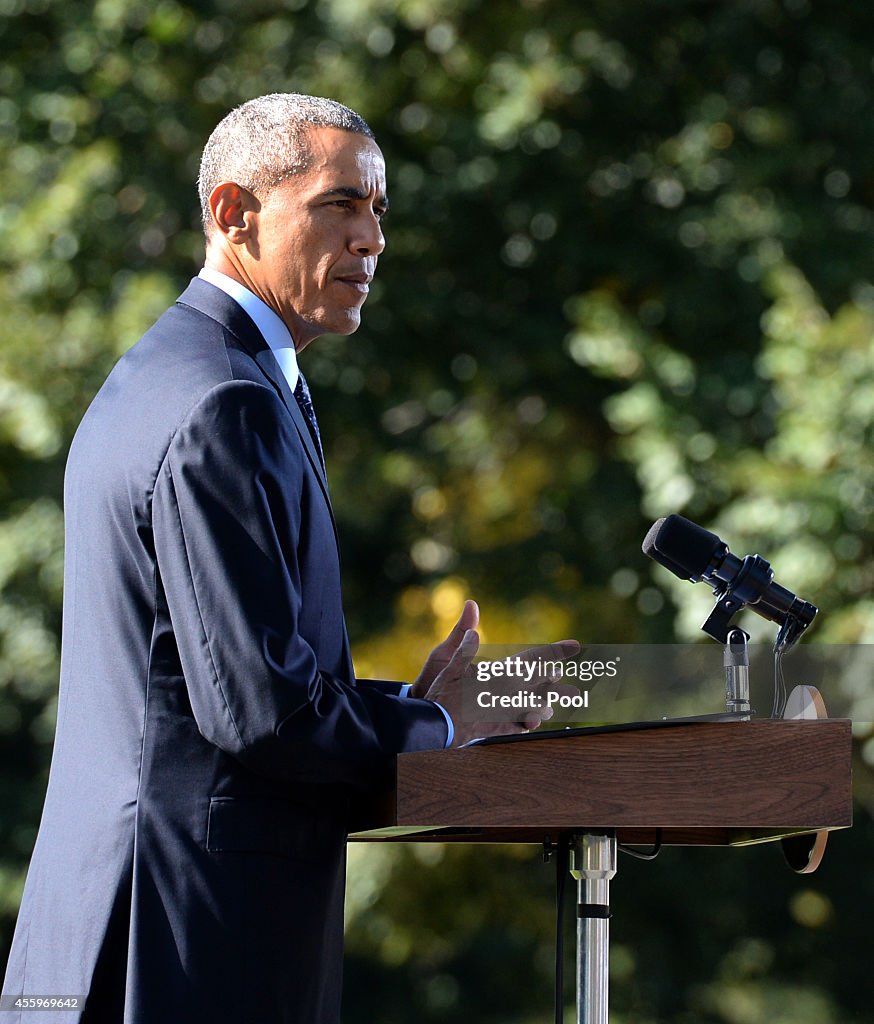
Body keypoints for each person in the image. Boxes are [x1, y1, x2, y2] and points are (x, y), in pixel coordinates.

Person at [1, 94, 577, 1024]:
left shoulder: (177, 372)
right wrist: (442, 731)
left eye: (379, 212)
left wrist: (414, 709)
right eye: (338, 205)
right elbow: (259, 713)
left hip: (140, 926)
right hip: (184, 949)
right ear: (235, 214)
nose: (371, 239)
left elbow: (217, 685)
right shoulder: (222, 401)